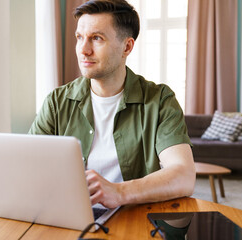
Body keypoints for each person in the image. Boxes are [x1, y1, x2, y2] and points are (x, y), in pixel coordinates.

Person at [29, 0, 195, 209]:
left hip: (133, 221)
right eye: (79, 38)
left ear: (127, 46)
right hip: (68, 216)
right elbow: (30, 167)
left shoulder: (160, 100)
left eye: (96, 38)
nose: (83, 50)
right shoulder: (56, 102)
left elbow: (184, 174)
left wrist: (119, 191)